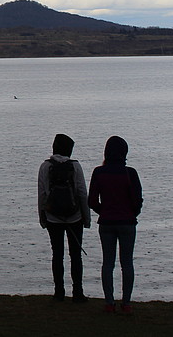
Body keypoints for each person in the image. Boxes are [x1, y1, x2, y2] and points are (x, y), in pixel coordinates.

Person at [88, 135, 143, 314]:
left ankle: (109, 302)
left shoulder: (99, 172)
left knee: (107, 263)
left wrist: (103, 211)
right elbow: (138, 200)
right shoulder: (130, 173)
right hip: (127, 223)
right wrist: (132, 213)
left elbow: (91, 201)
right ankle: (126, 303)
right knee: (127, 263)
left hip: (106, 223)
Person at [37, 133, 91, 303]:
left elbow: (42, 194)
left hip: (53, 217)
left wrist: (42, 217)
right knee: (75, 255)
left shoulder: (45, 167)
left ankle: (59, 292)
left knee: (57, 254)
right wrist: (86, 218)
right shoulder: (75, 166)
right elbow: (82, 193)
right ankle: (78, 292)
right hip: (75, 217)